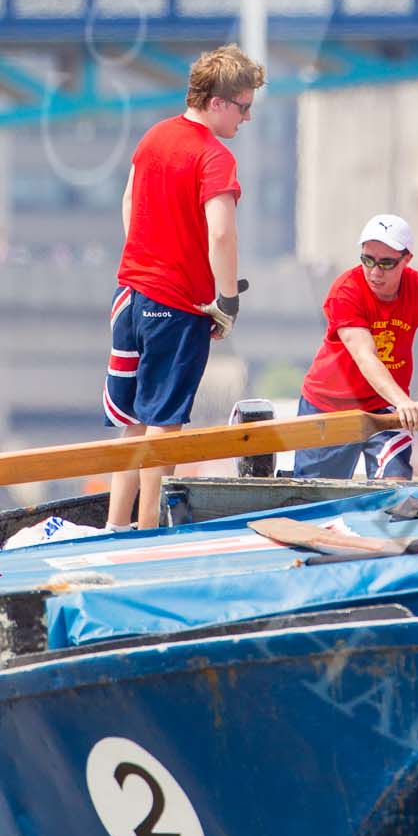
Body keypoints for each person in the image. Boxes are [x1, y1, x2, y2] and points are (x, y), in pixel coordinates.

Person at [104, 43, 266, 531]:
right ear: (217, 102)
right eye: (243, 107)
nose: (247, 118)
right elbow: (221, 231)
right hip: (175, 306)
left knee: (132, 418)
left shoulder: (154, 136)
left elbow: (130, 201)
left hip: (129, 297)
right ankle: (148, 527)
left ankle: (116, 524)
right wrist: (227, 299)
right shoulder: (214, 156)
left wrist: (150, 254)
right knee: (165, 419)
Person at [293, 214, 418, 480]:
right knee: (315, 496)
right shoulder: (346, 290)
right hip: (329, 404)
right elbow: (366, 357)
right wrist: (404, 402)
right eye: (368, 260)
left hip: (384, 407)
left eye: (386, 263)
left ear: (407, 259)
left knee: (396, 484)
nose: (375, 272)